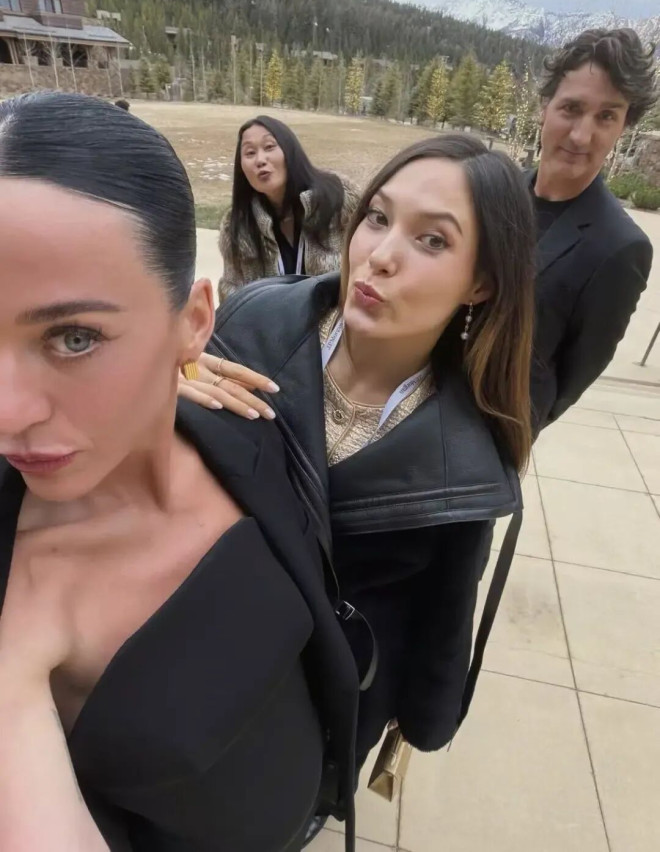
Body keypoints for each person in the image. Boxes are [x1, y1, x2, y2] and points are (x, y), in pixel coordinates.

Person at [0, 92, 360, 852]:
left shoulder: (244, 420)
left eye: (73, 337)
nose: (7, 414)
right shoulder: (20, 608)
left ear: (195, 321)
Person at [180, 135, 536, 828]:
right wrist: (158, 381)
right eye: (377, 217)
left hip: (315, 706)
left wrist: (420, 718)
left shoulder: (466, 461)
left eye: (432, 241)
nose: (380, 254)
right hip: (190, 654)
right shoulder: (256, 320)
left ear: (482, 283)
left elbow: (443, 612)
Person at [529, 27, 656, 432]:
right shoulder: (492, 192)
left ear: (624, 126)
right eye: (571, 108)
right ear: (545, 107)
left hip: (486, 446)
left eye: (606, 116)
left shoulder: (620, 248)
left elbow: (571, 380)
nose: (582, 135)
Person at [218, 115, 360, 302]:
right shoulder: (238, 227)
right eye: (250, 153)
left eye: (269, 147)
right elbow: (232, 297)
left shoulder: (339, 199)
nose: (260, 160)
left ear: (289, 150)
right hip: (272, 321)